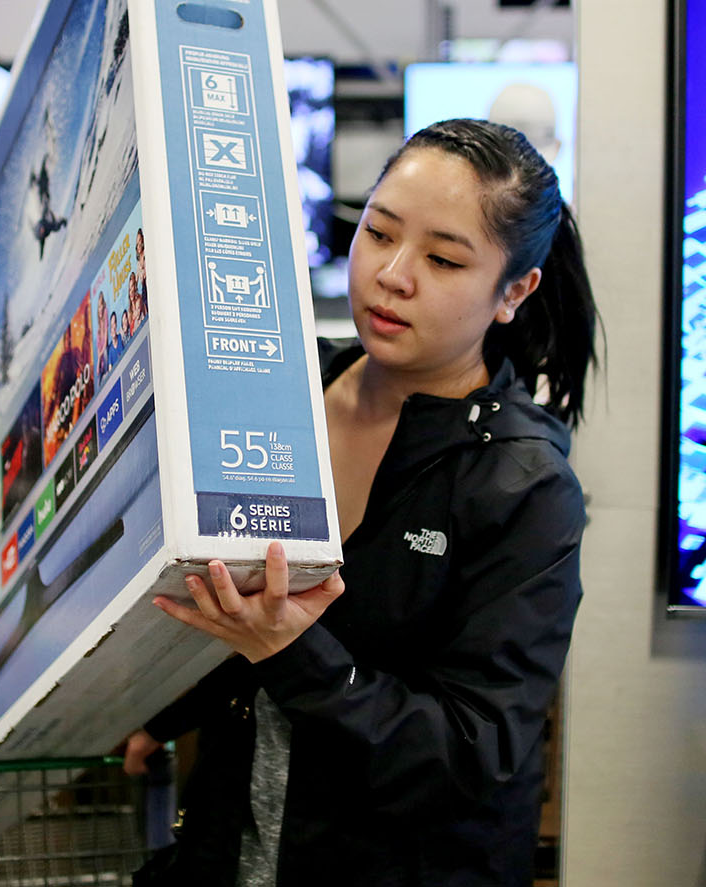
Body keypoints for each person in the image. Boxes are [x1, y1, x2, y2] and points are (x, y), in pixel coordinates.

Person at [124, 118, 599, 887]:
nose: (393, 274)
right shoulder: (286, 399)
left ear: (513, 290)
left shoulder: (522, 484)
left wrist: (295, 652)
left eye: (444, 259)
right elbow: (245, 606)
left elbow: (477, 751)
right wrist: (166, 706)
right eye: (378, 233)